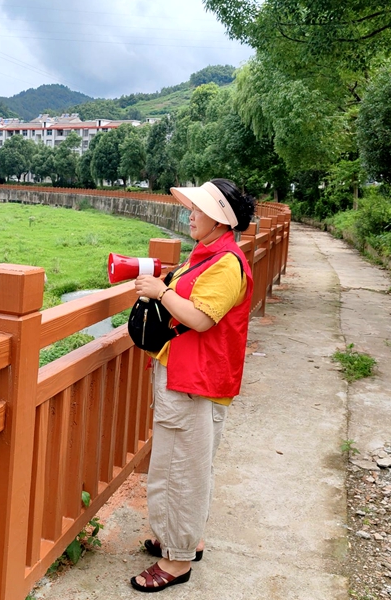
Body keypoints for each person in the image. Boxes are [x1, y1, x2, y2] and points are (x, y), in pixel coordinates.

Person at [130, 178, 255, 593]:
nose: (190, 214)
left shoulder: (226, 263)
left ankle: (176, 561)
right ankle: (181, 540)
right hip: (191, 376)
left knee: (179, 470)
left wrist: (161, 292)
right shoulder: (209, 256)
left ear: (220, 219)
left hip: (192, 381)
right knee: (188, 465)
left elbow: (201, 318)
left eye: (197, 209)